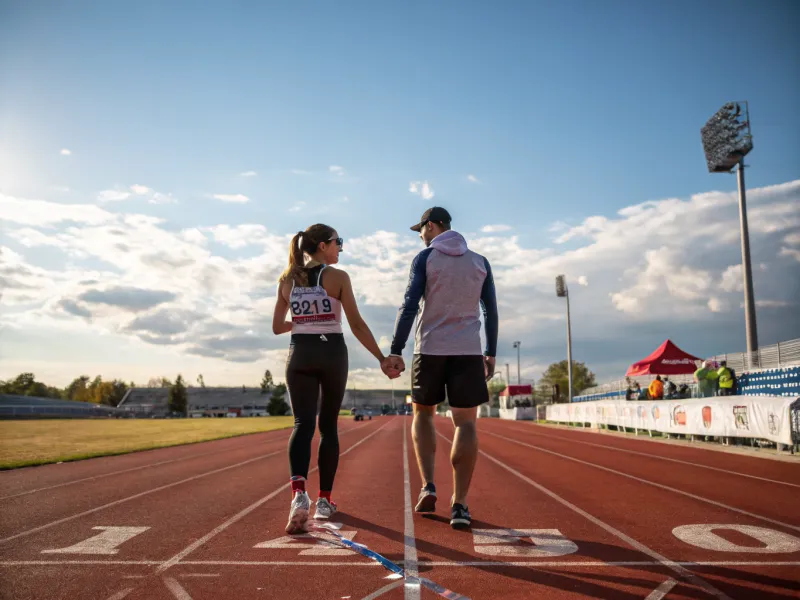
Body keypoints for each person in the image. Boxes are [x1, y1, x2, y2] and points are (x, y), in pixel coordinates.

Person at [272, 224, 399, 535]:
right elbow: (355, 323)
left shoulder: (287, 280)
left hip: (299, 354)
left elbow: (277, 326)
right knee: (328, 426)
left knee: (302, 424)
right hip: (331, 354)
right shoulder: (338, 278)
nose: (340, 248)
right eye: (337, 242)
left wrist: (302, 321)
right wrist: (382, 358)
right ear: (323, 246)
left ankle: (298, 495)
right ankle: (324, 501)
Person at [386, 206, 498, 530]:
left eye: (420, 230)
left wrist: (396, 349)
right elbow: (490, 310)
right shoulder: (480, 262)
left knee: (423, 414)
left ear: (432, 226)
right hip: (467, 351)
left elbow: (409, 304)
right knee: (465, 423)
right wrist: (490, 351)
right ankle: (460, 504)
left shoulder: (425, 259)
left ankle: (428, 485)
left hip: (430, 350)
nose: (420, 236)